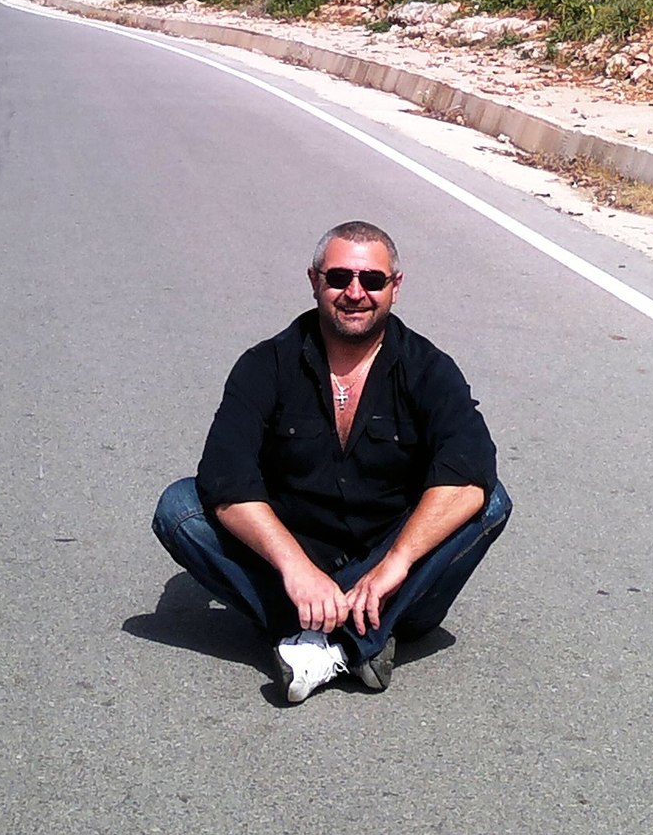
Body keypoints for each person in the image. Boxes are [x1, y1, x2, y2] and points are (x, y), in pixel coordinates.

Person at [152, 220, 511, 703]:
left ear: (395, 286)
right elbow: (226, 477)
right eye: (339, 278)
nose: (355, 293)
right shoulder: (266, 364)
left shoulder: (429, 369)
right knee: (179, 507)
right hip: (295, 572)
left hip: (393, 577)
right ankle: (362, 641)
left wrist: (396, 563)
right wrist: (295, 567)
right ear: (314, 280)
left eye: (372, 280)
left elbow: (469, 469)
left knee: (489, 501)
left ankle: (324, 644)